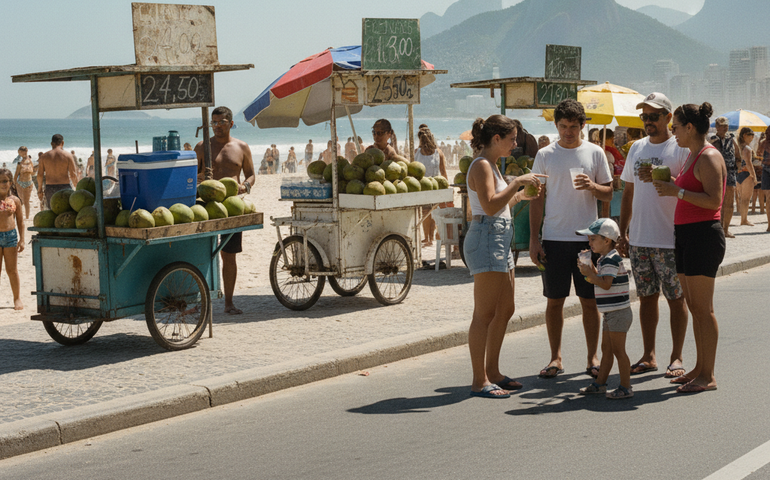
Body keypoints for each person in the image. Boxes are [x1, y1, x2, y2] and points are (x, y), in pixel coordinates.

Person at [529, 98, 614, 379]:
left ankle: (593, 358)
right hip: (553, 238)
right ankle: (555, 358)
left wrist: (592, 186)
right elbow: (536, 200)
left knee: (589, 300)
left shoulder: (595, 153)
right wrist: (534, 238)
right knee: (555, 300)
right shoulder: (545, 155)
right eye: (563, 126)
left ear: (583, 126)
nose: (568, 132)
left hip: (587, 240)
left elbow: (608, 194)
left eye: (574, 127)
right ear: (556, 125)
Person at [464, 114, 543, 398]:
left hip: (497, 237)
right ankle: (478, 380)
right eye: (512, 139)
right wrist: (518, 181)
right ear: (496, 139)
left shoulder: (493, 166)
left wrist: (521, 196)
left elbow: (500, 204)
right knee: (484, 313)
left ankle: (493, 371)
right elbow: (488, 204)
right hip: (487, 238)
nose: (515, 144)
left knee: (505, 309)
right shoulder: (482, 165)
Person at [652, 102, 725, 393]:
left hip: (703, 236)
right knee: (694, 307)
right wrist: (668, 182)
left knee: (704, 309)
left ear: (690, 128)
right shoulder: (691, 156)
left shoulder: (708, 157)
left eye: (676, 128)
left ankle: (708, 375)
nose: (674, 133)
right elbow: (689, 190)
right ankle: (699, 367)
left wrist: (676, 190)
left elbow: (713, 201)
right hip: (685, 235)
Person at [618, 92, 689, 378]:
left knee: (676, 299)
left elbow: (688, 190)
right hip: (640, 239)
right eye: (644, 116)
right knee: (646, 298)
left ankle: (677, 357)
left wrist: (663, 177)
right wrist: (623, 231)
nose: (648, 121)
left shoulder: (681, 148)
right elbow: (628, 192)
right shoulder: (636, 148)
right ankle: (649, 355)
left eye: (654, 116)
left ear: (668, 118)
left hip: (670, 239)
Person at [194, 106, 256, 315]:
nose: (217, 127)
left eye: (221, 122)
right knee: (201, 254)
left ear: (230, 123)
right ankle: (199, 301)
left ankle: (229, 302)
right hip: (204, 206)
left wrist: (245, 186)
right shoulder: (202, 147)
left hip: (231, 208)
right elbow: (190, 176)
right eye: (213, 123)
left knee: (229, 256)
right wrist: (198, 180)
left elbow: (251, 175)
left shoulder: (241, 147)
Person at [576, 218, 633, 399]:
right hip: (612, 313)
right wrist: (589, 267)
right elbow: (600, 278)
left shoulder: (610, 260)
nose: (589, 242)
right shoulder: (605, 259)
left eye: (593, 239)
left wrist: (589, 274)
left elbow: (606, 284)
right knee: (607, 350)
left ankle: (626, 387)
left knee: (618, 351)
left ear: (606, 240)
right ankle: (600, 384)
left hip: (618, 313)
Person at [415, 126, 449, 248]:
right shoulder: (418, 152)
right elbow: (443, 172)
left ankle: (429, 237)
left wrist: (447, 188)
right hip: (426, 186)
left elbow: (443, 172)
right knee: (427, 212)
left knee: (430, 212)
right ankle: (427, 237)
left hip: (432, 186)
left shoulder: (437, 153)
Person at [710, 116, 740, 238]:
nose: (725, 127)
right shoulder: (711, 140)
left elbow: (738, 155)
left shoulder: (732, 139)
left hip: (730, 173)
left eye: (726, 125)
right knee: (717, 202)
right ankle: (718, 228)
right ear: (717, 127)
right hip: (715, 174)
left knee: (729, 202)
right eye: (722, 125)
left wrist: (736, 168)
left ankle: (726, 229)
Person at [0, 167, 24, 310]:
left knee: (12, 270)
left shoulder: (15, 200)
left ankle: (17, 298)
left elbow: (20, 221)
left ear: (10, 182)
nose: (2, 184)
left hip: (10, 237)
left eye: (5, 181)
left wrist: (21, 239)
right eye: (0, 181)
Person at [37, 134, 78, 209]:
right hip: (65, 187)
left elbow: (40, 175)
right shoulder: (68, 155)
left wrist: (40, 190)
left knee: (51, 211)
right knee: (66, 211)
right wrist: (77, 188)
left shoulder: (43, 157)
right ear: (62, 143)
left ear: (52, 144)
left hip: (50, 188)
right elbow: (73, 175)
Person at [736, 127, 758, 226]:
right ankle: (744, 219)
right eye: (751, 135)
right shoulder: (747, 148)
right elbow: (749, 163)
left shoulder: (738, 146)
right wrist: (754, 176)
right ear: (745, 135)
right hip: (747, 174)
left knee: (741, 198)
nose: (752, 137)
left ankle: (743, 219)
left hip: (738, 173)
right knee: (746, 199)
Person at [13, 147, 35, 220]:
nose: (24, 154)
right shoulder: (19, 162)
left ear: (27, 151)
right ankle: (19, 215)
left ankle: (27, 217)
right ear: (19, 153)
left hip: (29, 182)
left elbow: (33, 171)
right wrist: (13, 183)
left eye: (25, 152)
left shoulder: (30, 160)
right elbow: (16, 173)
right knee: (21, 200)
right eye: (22, 152)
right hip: (20, 182)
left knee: (26, 201)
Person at [758, 126, 770, 230]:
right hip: (766, 169)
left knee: (769, 199)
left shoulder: (763, 142)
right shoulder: (763, 142)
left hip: (766, 169)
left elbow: (759, 154)